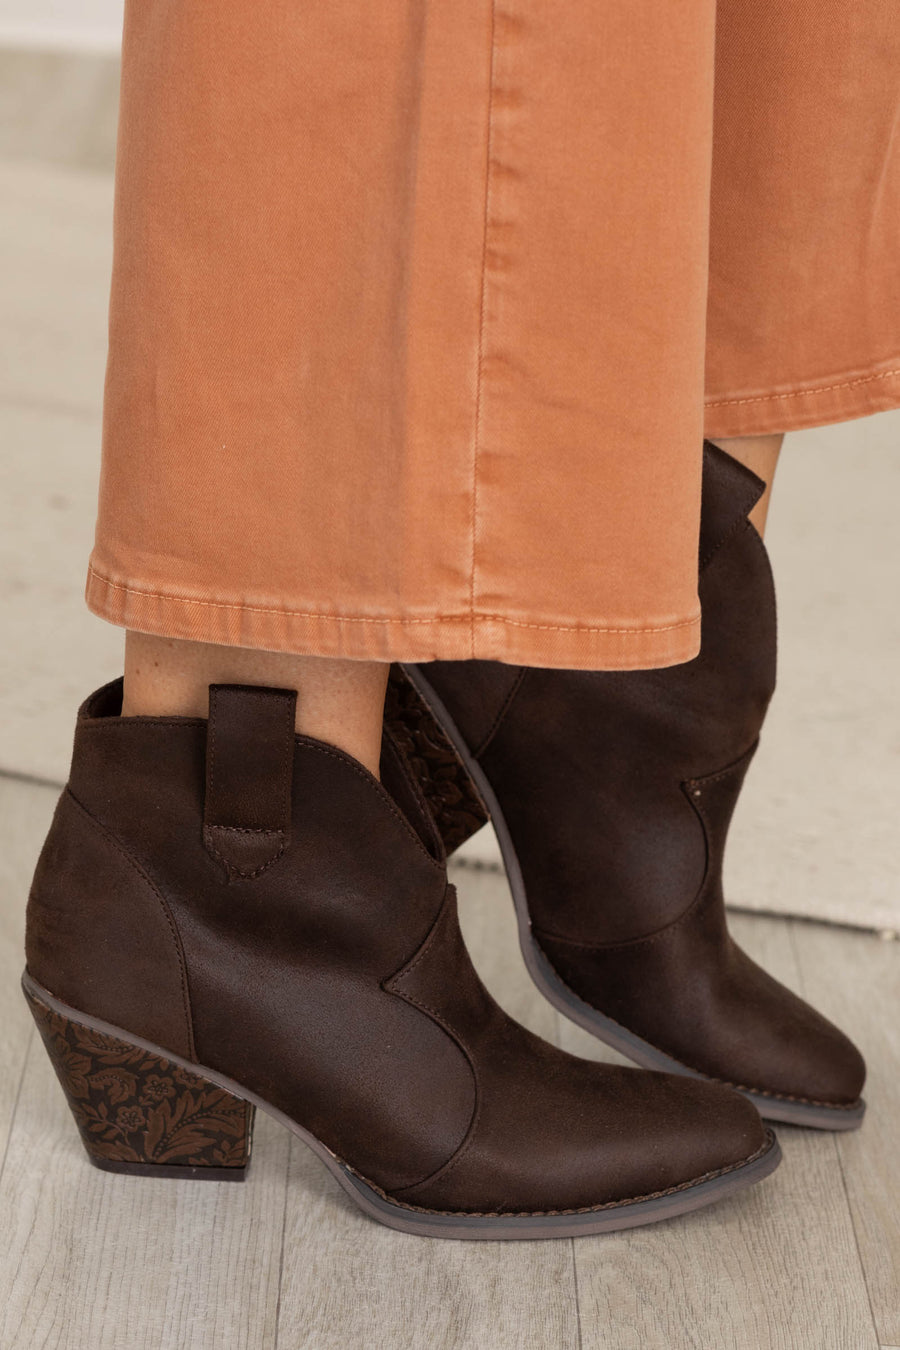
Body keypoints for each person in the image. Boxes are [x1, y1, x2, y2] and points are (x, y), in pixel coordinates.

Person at [22, 0, 896, 1237]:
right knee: (364, 40)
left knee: (760, 38)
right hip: (242, 773)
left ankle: (609, 641)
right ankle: (236, 852)